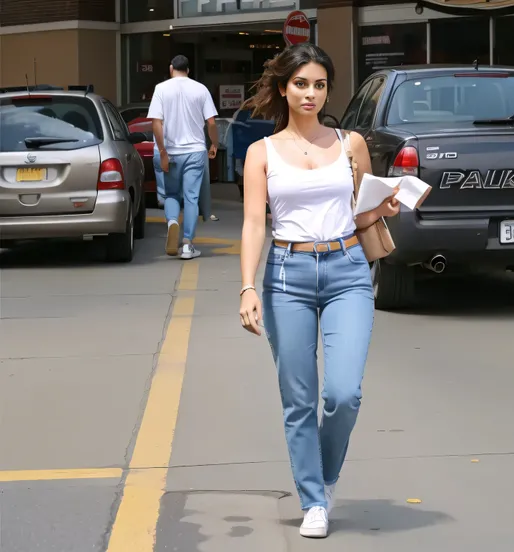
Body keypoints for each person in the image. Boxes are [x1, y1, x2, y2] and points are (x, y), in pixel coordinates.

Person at [237, 43, 399, 538]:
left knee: (344, 393)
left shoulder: (350, 144)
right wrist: (247, 286)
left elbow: (362, 209)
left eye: (320, 84)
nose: (311, 93)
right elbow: (252, 224)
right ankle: (313, 500)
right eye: (301, 83)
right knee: (299, 397)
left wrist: (385, 208)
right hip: (288, 274)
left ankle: (324, 478)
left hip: (348, 267)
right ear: (284, 87)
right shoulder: (260, 152)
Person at [148, 54, 219, 259]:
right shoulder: (200, 89)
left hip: (171, 152)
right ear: (188, 70)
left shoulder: (161, 89)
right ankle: (188, 244)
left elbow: (156, 123)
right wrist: (214, 143)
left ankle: (172, 223)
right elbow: (211, 123)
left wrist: (162, 152)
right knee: (191, 198)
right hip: (195, 151)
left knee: (171, 194)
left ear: (171, 68)